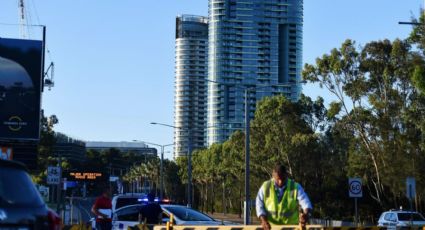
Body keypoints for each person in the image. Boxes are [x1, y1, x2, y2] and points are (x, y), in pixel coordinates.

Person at [256, 164, 312, 229]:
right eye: (278, 179)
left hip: (291, 227)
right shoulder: (266, 187)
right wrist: (263, 221)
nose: (280, 182)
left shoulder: (294, 187)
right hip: (271, 227)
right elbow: (259, 205)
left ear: (286, 175)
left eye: (283, 179)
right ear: (273, 176)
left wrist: (305, 215)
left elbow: (306, 203)